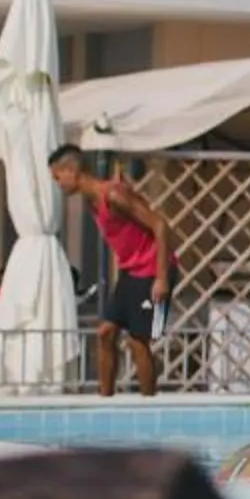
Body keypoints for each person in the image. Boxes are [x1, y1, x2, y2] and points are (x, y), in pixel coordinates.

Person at [49, 145, 173, 397]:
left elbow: (161, 226)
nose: (57, 183)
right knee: (105, 333)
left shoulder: (113, 196)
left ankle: (148, 404)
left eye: (57, 176)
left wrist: (161, 278)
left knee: (139, 340)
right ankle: (105, 400)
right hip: (131, 271)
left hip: (154, 269)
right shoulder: (91, 200)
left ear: (72, 170)